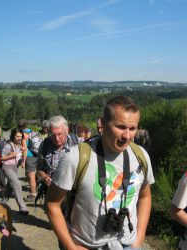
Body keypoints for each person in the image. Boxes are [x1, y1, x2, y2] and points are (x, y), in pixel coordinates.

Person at [46, 96, 155, 249]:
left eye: (132, 128)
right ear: (103, 124)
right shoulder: (76, 157)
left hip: (127, 244)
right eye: (120, 127)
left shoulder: (140, 156)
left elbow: (145, 196)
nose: (127, 136)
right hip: (86, 245)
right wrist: (71, 246)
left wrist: (139, 237)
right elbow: (52, 204)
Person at [37, 115, 79, 189]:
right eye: (52, 135)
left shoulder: (76, 143)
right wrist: (44, 177)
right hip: (52, 190)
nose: (56, 138)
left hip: (73, 191)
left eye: (59, 134)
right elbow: (40, 170)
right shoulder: (45, 144)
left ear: (67, 130)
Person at [0, 128, 29, 215]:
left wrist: (23, 161)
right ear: (13, 136)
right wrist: (11, 155)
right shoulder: (8, 145)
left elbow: (24, 151)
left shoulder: (20, 144)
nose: (19, 138)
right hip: (7, 167)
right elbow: (1, 158)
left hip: (15, 167)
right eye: (17, 136)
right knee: (17, 184)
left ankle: (2, 204)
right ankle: (22, 207)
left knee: (10, 187)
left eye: (20, 136)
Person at [22, 126, 43, 202]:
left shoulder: (24, 135)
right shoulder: (34, 133)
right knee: (35, 175)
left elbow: (24, 150)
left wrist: (23, 161)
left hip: (29, 157)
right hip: (37, 155)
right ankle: (36, 190)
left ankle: (33, 194)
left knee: (30, 176)